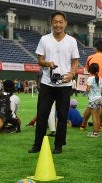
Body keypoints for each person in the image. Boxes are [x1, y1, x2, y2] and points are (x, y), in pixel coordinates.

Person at [28, 11, 79, 155]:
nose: (58, 24)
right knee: (42, 114)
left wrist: (72, 74)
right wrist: (47, 63)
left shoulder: (72, 41)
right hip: (47, 83)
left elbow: (75, 61)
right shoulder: (44, 39)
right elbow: (39, 60)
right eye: (55, 22)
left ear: (65, 23)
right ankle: (38, 144)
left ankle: (59, 145)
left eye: (60, 22)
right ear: (51, 23)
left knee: (63, 116)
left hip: (64, 84)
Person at [79, 40, 102, 130]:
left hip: (92, 83)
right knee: (101, 106)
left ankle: (84, 124)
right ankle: (98, 125)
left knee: (91, 105)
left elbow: (87, 69)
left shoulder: (90, 57)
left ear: (96, 48)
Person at [85, 63, 102, 137]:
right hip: (99, 99)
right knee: (97, 117)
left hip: (93, 100)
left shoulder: (90, 79)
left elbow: (88, 89)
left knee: (94, 117)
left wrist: (86, 90)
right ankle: (96, 132)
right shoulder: (100, 79)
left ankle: (95, 133)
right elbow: (101, 91)